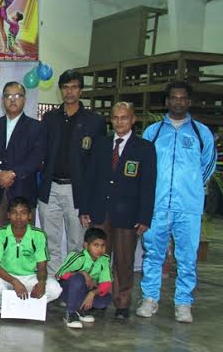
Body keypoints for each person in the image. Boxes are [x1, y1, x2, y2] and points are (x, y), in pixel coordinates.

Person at [138, 81, 216, 323]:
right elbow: (145, 168)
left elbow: (208, 166)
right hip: (157, 206)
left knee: (187, 256)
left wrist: (189, 187)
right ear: (167, 101)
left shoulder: (201, 133)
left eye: (183, 98)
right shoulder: (153, 132)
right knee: (153, 254)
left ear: (189, 102)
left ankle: (183, 302)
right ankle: (150, 298)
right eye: (174, 97)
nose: (178, 102)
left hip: (188, 207)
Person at [80, 102, 156, 320]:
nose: (119, 122)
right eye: (115, 118)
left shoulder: (144, 148)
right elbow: (89, 179)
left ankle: (122, 303)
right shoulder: (101, 144)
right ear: (110, 120)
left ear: (133, 120)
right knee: (98, 259)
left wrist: (144, 217)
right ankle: (99, 299)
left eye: (124, 118)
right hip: (100, 212)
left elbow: (148, 186)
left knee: (124, 261)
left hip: (128, 216)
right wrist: (85, 208)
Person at [39, 70, 106, 274]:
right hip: (50, 187)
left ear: (81, 90)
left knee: (76, 241)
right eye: (65, 87)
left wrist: (91, 196)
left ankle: (73, 284)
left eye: (74, 87)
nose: (69, 91)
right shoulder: (50, 118)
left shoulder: (95, 121)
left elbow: (98, 162)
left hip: (77, 191)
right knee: (50, 239)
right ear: (60, 90)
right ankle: (53, 282)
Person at [0, 82, 45, 231]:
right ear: (2, 100)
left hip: (23, 189)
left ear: (24, 99)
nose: (13, 100)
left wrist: (13, 173)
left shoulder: (37, 127)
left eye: (17, 96)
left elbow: (37, 157)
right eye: (8, 96)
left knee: (22, 242)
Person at [0, 197, 62, 309]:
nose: (18, 217)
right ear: (8, 215)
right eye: (14, 213)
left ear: (30, 216)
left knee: (55, 289)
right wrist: (15, 281)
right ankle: (3, 303)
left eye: (23, 213)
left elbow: (42, 267)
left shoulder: (39, 235)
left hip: (30, 277)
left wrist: (41, 283)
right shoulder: (0, 234)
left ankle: (28, 304)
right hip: (6, 277)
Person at [56, 228, 113, 329]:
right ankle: (70, 313)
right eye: (96, 245)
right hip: (66, 290)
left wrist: (92, 293)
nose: (100, 249)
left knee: (105, 299)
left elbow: (106, 283)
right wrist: (82, 272)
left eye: (103, 245)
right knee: (78, 279)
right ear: (86, 246)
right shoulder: (77, 257)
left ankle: (79, 310)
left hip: (85, 291)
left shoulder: (104, 259)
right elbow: (59, 274)